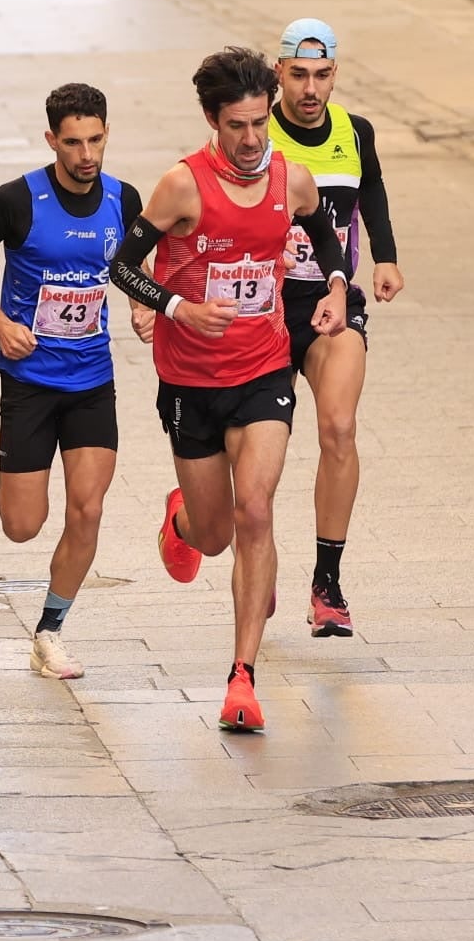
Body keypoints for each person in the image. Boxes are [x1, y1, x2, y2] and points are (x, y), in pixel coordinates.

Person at [110, 47, 351, 733]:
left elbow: (324, 239)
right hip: (189, 377)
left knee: (255, 511)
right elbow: (122, 267)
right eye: (236, 127)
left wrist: (334, 289)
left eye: (259, 124)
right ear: (212, 121)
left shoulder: (290, 178)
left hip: (264, 369)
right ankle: (181, 518)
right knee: (215, 533)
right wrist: (178, 309)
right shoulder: (181, 186)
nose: (251, 141)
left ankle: (242, 679)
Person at [0, 85, 143, 680]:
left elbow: (135, 267)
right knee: (21, 525)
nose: (86, 154)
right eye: (73, 142)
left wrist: (144, 305)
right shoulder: (18, 199)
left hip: (91, 379)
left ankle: (50, 631)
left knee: (87, 508)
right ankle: (15, 478)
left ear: (107, 133)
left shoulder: (123, 199)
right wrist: (0, 322)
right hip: (30, 381)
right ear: (52, 140)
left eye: (96, 139)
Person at [268, 19, 404, 639]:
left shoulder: (355, 131)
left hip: (333, 299)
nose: (310, 89)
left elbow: (369, 186)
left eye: (322, 76)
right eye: (298, 75)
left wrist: (385, 255)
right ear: (279, 74)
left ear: (335, 76)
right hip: (262, 310)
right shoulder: (252, 134)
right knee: (252, 455)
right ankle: (231, 541)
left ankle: (327, 583)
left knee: (339, 428)